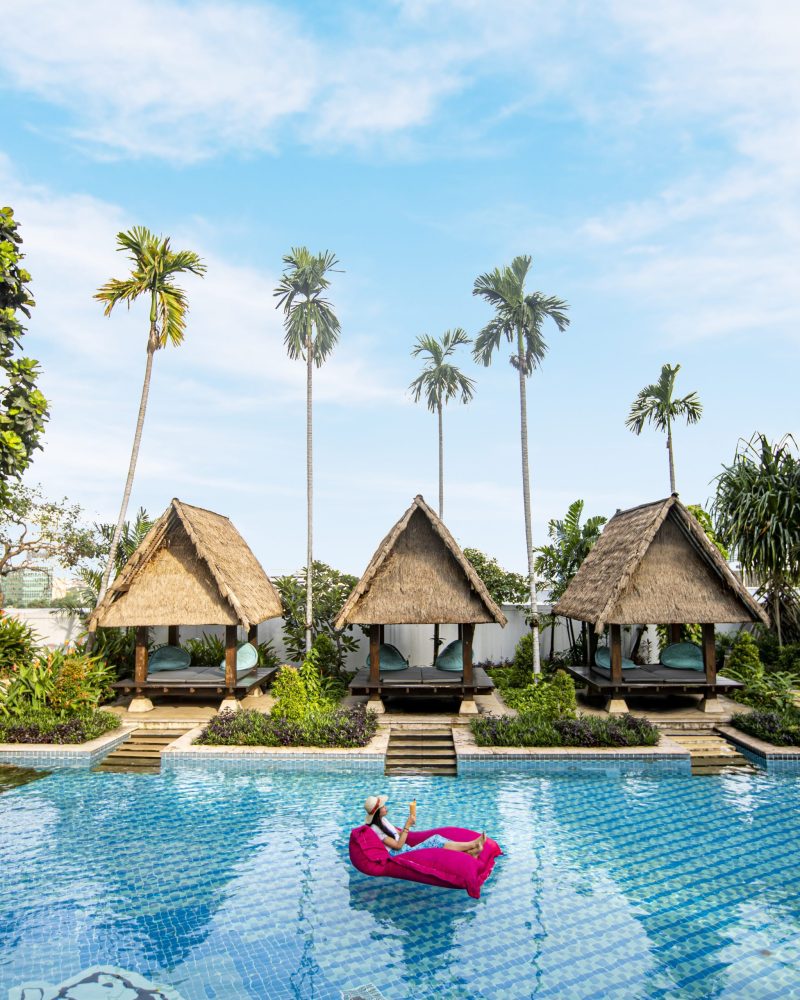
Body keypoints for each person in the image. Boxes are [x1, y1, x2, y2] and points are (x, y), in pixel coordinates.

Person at [364, 794, 486, 857]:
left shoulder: (383, 820)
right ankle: (473, 844)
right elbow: (397, 846)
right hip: (401, 854)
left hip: (405, 849)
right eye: (383, 806)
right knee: (436, 840)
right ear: (377, 811)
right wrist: (407, 825)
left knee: (436, 840)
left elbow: (398, 834)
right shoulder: (375, 829)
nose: (386, 807)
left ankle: (470, 853)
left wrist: (409, 823)